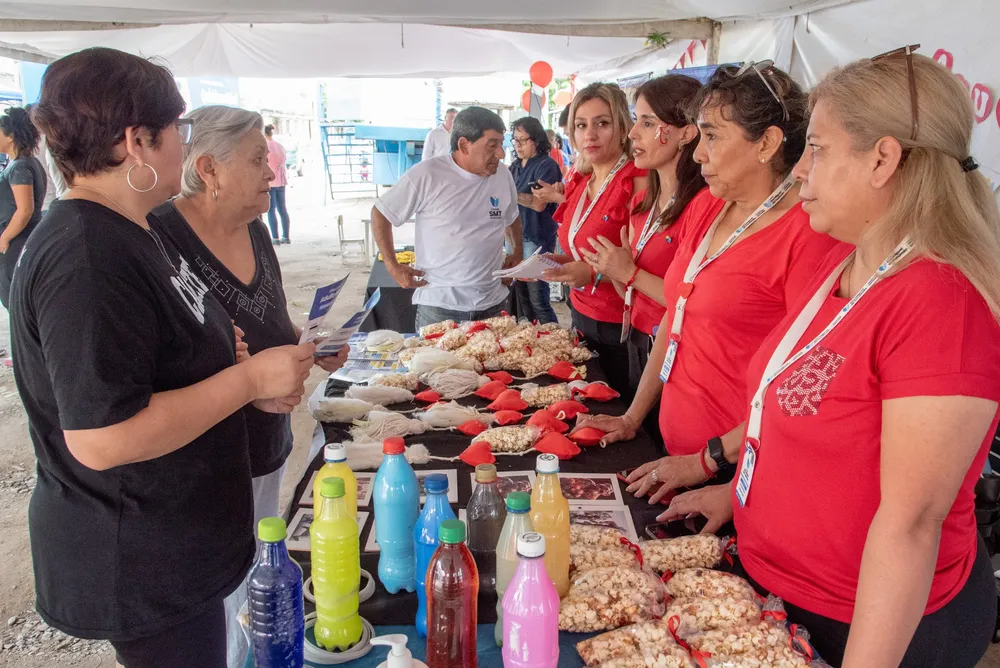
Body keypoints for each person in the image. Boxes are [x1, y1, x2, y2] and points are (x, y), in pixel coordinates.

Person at [662, 51, 1000, 668]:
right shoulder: (838, 263)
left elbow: (912, 526)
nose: (798, 174)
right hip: (780, 595)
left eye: (815, 149)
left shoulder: (939, 305)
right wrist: (739, 495)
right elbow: (792, 423)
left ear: (883, 160)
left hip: (868, 628)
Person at [13, 47, 315, 668]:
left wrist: (228, 369)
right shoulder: (86, 255)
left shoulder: (134, 228)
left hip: (182, 533)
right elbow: (102, 436)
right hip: (141, 549)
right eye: (177, 128)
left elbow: (161, 358)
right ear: (136, 141)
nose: (184, 139)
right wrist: (248, 377)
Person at [147, 105, 348, 668]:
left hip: (267, 439)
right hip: (203, 456)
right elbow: (164, 361)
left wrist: (313, 343)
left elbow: (274, 321)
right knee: (220, 592)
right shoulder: (160, 236)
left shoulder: (256, 228)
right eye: (259, 159)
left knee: (259, 559)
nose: (272, 172)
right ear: (208, 169)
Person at [575, 62, 839, 481]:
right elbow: (677, 317)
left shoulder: (808, 234)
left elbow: (800, 387)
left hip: (733, 467)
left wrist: (714, 464)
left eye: (712, 136)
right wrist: (632, 417)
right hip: (677, 449)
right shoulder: (708, 205)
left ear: (767, 143)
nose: (697, 153)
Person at [578, 74, 705, 446]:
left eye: (647, 123)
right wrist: (615, 270)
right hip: (637, 339)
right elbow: (628, 289)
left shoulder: (701, 208)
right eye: (636, 121)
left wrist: (626, 270)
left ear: (686, 133)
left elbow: (688, 303)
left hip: (676, 354)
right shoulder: (641, 203)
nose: (632, 133)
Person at [371, 106, 522, 331]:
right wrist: (393, 266)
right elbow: (381, 213)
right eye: (492, 145)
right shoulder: (427, 175)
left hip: (493, 304)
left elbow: (511, 217)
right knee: (437, 367)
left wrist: (517, 252)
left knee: (495, 367)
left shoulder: (502, 174)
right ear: (464, 145)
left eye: (502, 144)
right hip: (440, 308)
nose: (501, 153)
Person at [539, 82, 646, 398]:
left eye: (602, 123)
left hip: (620, 325)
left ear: (623, 128)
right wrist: (566, 262)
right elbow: (579, 241)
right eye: (581, 125)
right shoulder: (582, 178)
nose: (591, 134)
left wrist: (594, 272)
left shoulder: (636, 179)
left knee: (613, 409)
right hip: (581, 314)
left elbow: (647, 257)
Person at [510, 117, 562, 324]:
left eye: (523, 140)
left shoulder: (546, 165)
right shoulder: (514, 166)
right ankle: (533, 339)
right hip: (516, 236)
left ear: (536, 140)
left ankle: (553, 340)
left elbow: (539, 203)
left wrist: (509, 193)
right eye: (515, 140)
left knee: (538, 297)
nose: (518, 145)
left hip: (537, 236)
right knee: (522, 296)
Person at [0, 106, 46, 309]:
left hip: (17, 241)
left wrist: (5, 238)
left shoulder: (20, 167)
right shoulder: (25, 163)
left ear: (10, 136)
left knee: (16, 301)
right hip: (21, 239)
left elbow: (25, 210)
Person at [264, 124, 290, 244]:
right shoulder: (280, 146)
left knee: (271, 209)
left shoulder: (265, 147)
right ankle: (286, 236)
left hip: (270, 182)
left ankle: (275, 238)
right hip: (281, 181)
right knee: (282, 209)